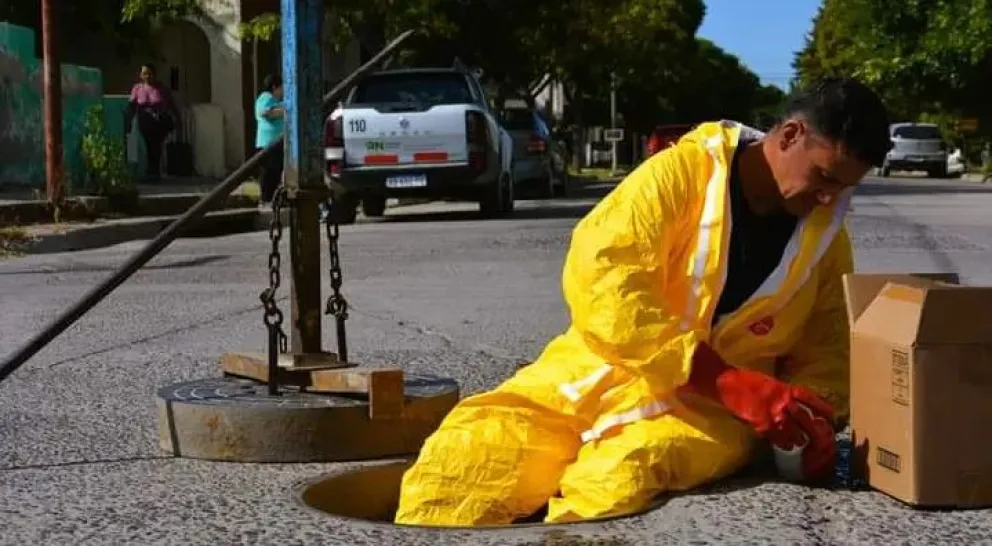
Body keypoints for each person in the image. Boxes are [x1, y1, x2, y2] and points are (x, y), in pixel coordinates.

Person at [394, 77, 892, 526]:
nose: (830, 199)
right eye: (825, 178)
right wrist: (721, 378)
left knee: (615, 481)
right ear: (788, 137)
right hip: (597, 372)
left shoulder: (826, 242)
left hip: (710, 417)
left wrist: (814, 424)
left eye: (845, 188)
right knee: (466, 455)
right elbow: (607, 276)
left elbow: (826, 350)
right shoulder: (680, 175)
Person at [124, 64, 180, 183]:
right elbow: (132, 106)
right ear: (141, 75)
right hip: (145, 121)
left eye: (150, 73)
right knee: (149, 145)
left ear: (154, 75)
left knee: (156, 145)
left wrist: (178, 119)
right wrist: (128, 121)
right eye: (145, 73)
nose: (147, 76)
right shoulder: (137, 88)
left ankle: (153, 172)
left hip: (160, 121)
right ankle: (152, 171)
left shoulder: (162, 89)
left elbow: (172, 105)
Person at [255, 74, 285, 205]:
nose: (283, 91)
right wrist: (284, 110)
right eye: (281, 88)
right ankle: (266, 199)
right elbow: (265, 112)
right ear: (274, 87)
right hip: (269, 143)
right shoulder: (266, 97)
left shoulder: (277, 102)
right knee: (269, 173)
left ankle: (272, 198)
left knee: (275, 172)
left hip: (276, 143)